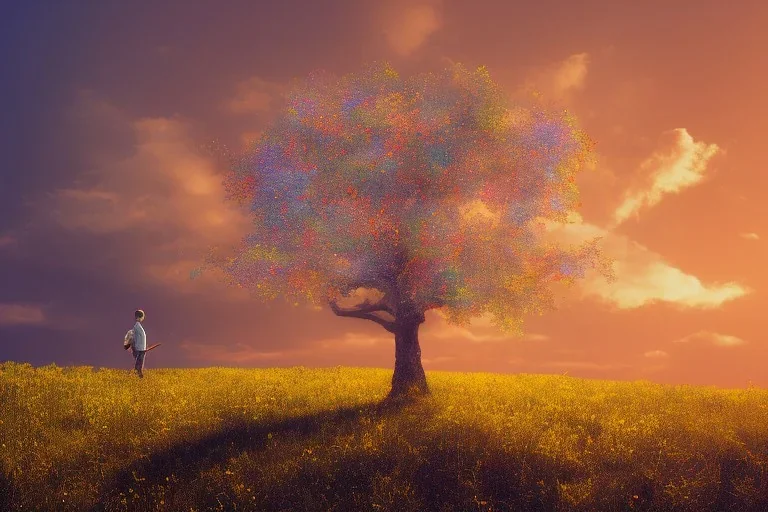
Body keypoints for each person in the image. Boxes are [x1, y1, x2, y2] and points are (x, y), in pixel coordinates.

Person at [131, 309, 147, 378]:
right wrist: (134, 348)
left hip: (141, 349)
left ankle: (138, 376)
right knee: (139, 365)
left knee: (139, 364)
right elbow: (134, 338)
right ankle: (138, 376)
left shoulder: (138, 326)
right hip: (139, 349)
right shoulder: (137, 327)